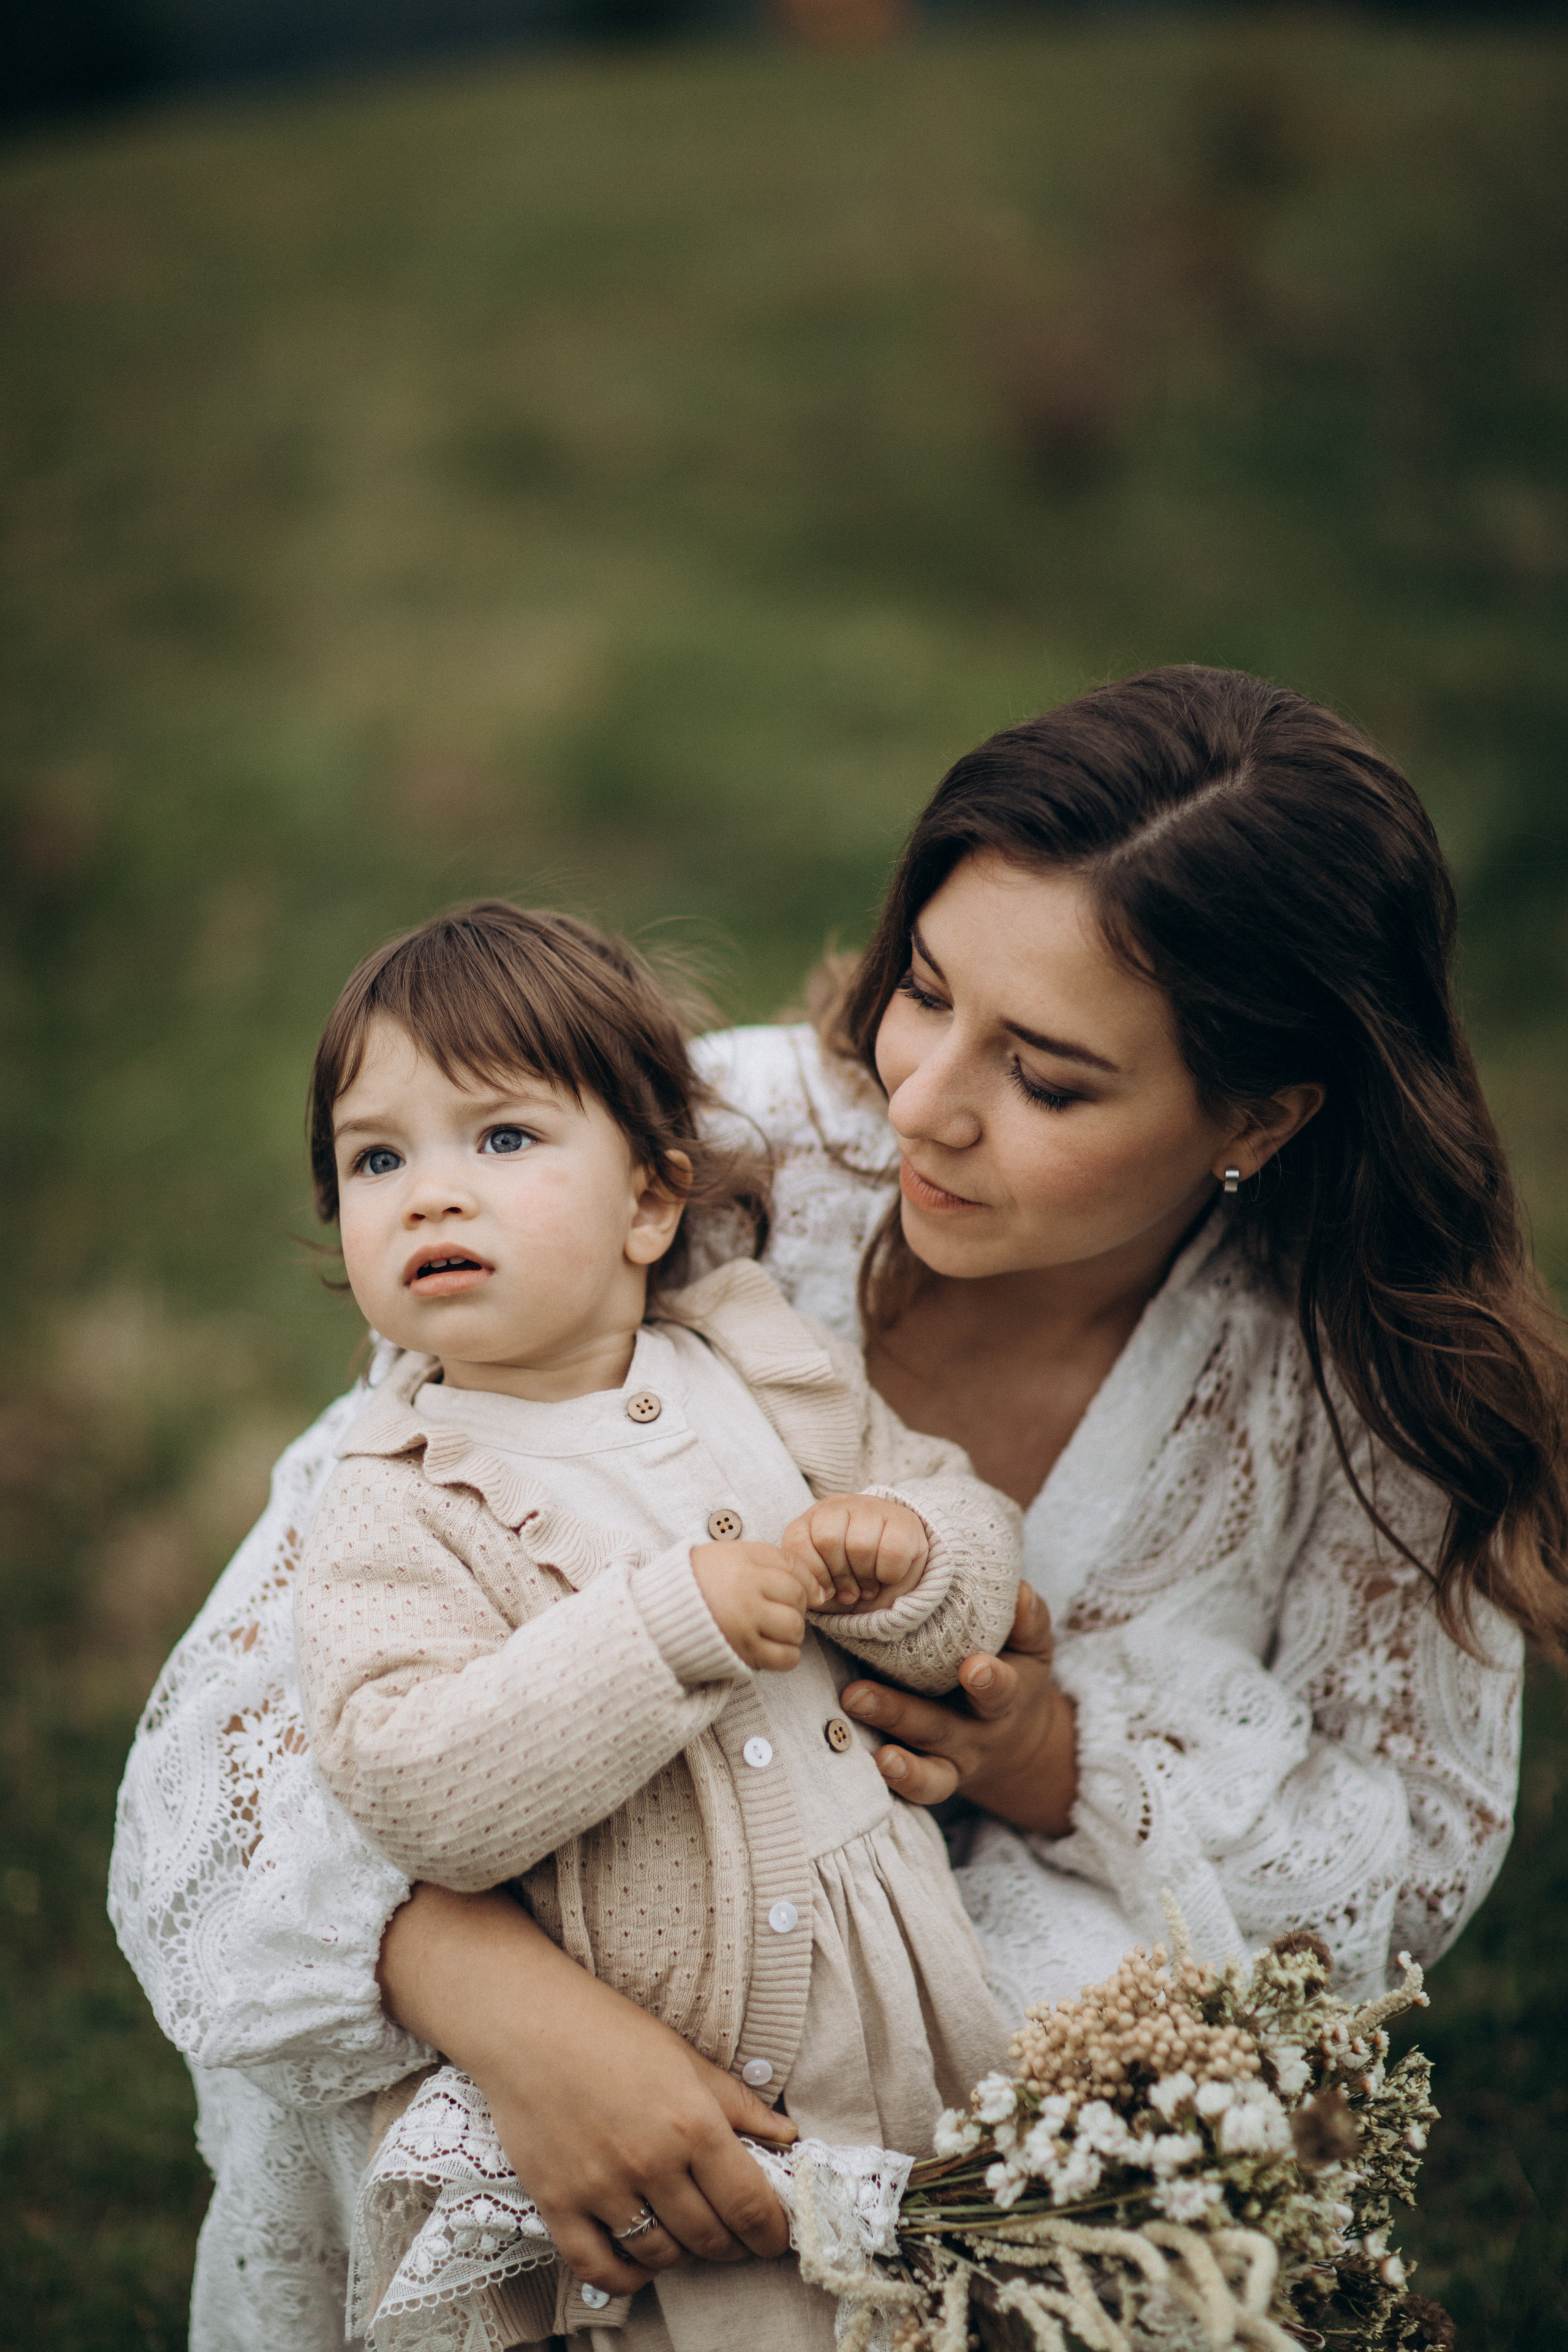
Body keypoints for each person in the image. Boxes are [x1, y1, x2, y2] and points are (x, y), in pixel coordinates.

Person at [110, 667, 1561, 2352]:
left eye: (1050, 1079)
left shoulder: (1360, 1392)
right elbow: (269, 1704)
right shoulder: (689, 1152)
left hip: (954, 2105)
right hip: (548, 1957)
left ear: (1259, 1115)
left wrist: (1056, 1763)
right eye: (923, 990)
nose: (923, 1099)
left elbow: (1401, 1858)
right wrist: (506, 2012)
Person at [290, 902, 1020, 2348]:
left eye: (502, 1138)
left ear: (647, 1203)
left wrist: (909, 1562)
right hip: (659, 2086)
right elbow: (413, 1784)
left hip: (902, 2019)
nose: (430, 1195)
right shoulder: (392, 1498)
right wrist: (667, 1627)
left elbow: (963, 1525)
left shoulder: (758, 1362)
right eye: (377, 1159)